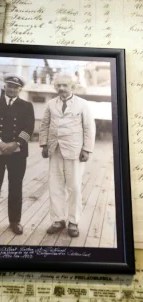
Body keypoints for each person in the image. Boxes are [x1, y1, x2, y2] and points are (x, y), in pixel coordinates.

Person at [39, 74, 96, 237]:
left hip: (74, 151)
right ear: (55, 87)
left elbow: (89, 128)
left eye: (65, 85)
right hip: (54, 150)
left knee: (75, 187)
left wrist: (87, 149)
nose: (61, 88)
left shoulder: (82, 104)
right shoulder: (51, 104)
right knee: (55, 186)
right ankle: (58, 220)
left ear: (72, 86)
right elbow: (44, 125)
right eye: (58, 85)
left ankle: (73, 222)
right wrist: (44, 144)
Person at [0, 74, 35, 235]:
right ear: (5, 87)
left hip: (17, 153)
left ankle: (15, 221)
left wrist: (15, 143)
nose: (12, 89)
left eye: (15, 87)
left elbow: (28, 128)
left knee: (16, 186)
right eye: (9, 86)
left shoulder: (27, 106)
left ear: (19, 89)